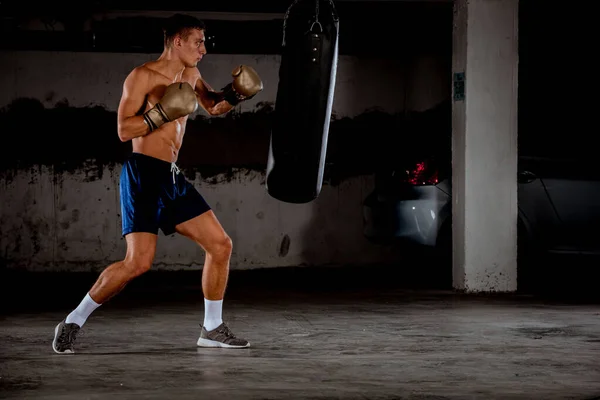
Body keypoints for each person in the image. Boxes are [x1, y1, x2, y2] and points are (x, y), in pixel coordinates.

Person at [52, 13, 263, 354]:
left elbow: (212, 107)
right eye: (198, 42)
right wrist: (161, 113)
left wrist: (236, 95)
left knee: (220, 245)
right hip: (143, 173)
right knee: (138, 263)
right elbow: (123, 130)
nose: (203, 50)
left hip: (171, 175)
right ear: (177, 41)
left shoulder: (190, 74)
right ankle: (74, 320)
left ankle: (211, 328)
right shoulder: (142, 76)